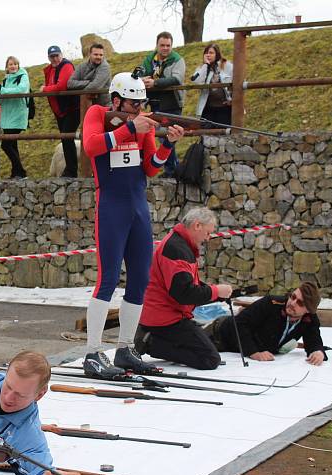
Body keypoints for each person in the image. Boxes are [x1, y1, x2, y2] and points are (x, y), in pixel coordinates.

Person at [80, 72, 184, 375]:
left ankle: (125, 347)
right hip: (111, 207)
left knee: (140, 279)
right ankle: (92, 353)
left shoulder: (142, 125)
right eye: (132, 104)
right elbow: (91, 146)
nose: (139, 109)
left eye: (142, 104)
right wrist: (127, 129)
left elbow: (151, 168)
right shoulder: (98, 113)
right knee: (108, 279)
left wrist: (167, 145)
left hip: (138, 207)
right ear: (116, 100)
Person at [132, 208, 232, 371]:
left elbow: (186, 287)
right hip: (165, 318)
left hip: (165, 314)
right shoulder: (176, 249)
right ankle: (151, 343)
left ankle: (153, 339)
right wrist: (215, 291)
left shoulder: (180, 244)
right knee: (209, 359)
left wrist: (215, 294)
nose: (208, 238)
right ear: (197, 225)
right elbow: (184, 293)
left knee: (204, 347)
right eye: (208, 233)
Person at [205, 282, 326, 366]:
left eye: (300, 303)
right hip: (218, 334)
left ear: (308, 310)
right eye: (293, 297)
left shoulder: (310, 319)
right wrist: (254, 353)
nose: (292, 303)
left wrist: (317, 352)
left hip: (238, 347)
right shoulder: (271, 303)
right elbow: (240, 323)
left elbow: (313, 339)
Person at [141, 31, 185, 176]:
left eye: (168, 45)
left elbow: (176, 79)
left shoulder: (177, 60)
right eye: (162, 45)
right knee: (160, 136)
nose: (165, 48)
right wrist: (144, 79)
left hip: (171, 103)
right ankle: (170, 169)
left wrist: (155, 82)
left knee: (169, 136)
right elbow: (142, 72)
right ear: (157, 45)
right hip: (154, 103)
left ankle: (171, 170)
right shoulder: (150, 59)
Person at [41, 45, 79, 178]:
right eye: (52, 56)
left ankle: (71, 170)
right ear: (48, 58)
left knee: (67, 137)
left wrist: (45, 89)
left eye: (57, 55)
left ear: (61, 55)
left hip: (71, 108)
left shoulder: (66, 66)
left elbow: (62, 86)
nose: (55, 59)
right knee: (65, 138)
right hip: (60, 110)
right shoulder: (50, 69)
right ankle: (70, 169)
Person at [0, 56, 29, 179]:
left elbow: (21, 90)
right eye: (10, 64)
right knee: (12, 145)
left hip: (17, 114)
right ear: (7, 67)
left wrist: (3, 91)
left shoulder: (23, 76)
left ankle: (21, 171)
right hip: (6, 116)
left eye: (15, 64)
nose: (13, 66)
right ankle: (16, 173)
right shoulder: (5, 80)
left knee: (6, 145)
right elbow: (0, 101)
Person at [192, 43, 233, 125]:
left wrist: (233, 100)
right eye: (206, 53)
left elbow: (238, 81)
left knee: (224, 133)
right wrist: (205, 66)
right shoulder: (202, 68)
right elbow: (196, 81)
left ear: (217, 54)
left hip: (224, 108)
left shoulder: (227, 66)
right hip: (208, 108)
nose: (208, 55)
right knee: (207, 134)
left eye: (211, 53)